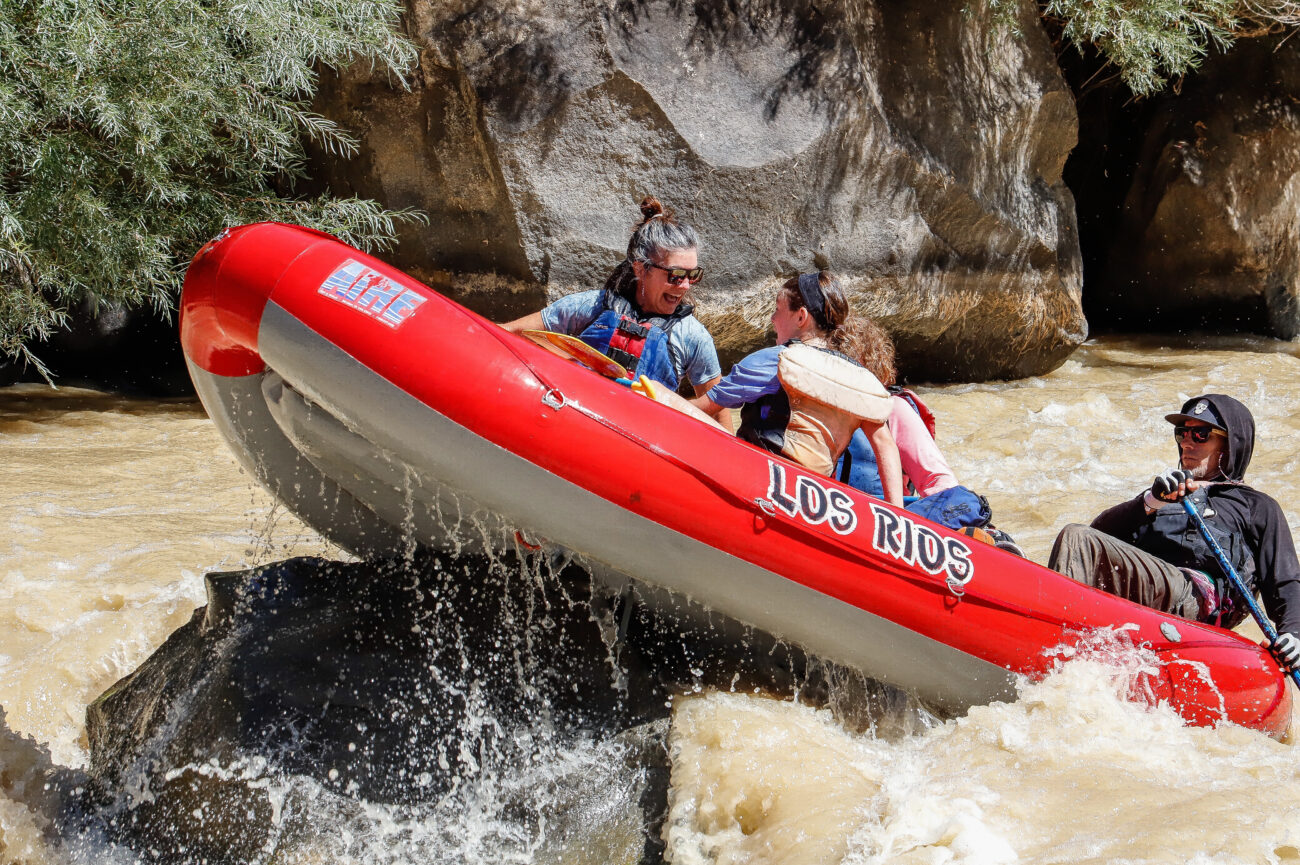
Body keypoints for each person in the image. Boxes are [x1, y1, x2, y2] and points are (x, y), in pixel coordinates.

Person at [1047, 394, 1300, 671]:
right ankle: (1055, 644)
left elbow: (1285, 582)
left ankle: (1055, 650)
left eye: (1201, 434)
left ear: (1229, 445)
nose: (1187, 442)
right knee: (1075, 535)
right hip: (1147, 594)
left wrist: (1295, 634)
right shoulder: (1162, 495)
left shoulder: (1256, 506)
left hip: (1197, 602)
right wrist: (1151, 501)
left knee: (1077, 537)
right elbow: (1093, 541)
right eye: (1183, 433)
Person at [687, 271, 905, 507]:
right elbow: (885, 445)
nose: (772, 318)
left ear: (801, 317)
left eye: (778, 310)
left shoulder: (776, 361)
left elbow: (702, 408)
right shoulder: (859, 379)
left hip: (754, 484)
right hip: (812, 501)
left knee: (668, 398)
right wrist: (896, 512)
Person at [500, 197, 721, 396]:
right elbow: (504, 333)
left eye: (693, 275)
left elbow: (716, 408)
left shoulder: (693, 336)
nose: (685, 286)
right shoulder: (591, 306)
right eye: (675, 275)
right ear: (641, 269)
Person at [831, 319, 1008, 541]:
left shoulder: (895, 410)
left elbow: (938, 484)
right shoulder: (822, 409)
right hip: (835, 514)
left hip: (880, 522)